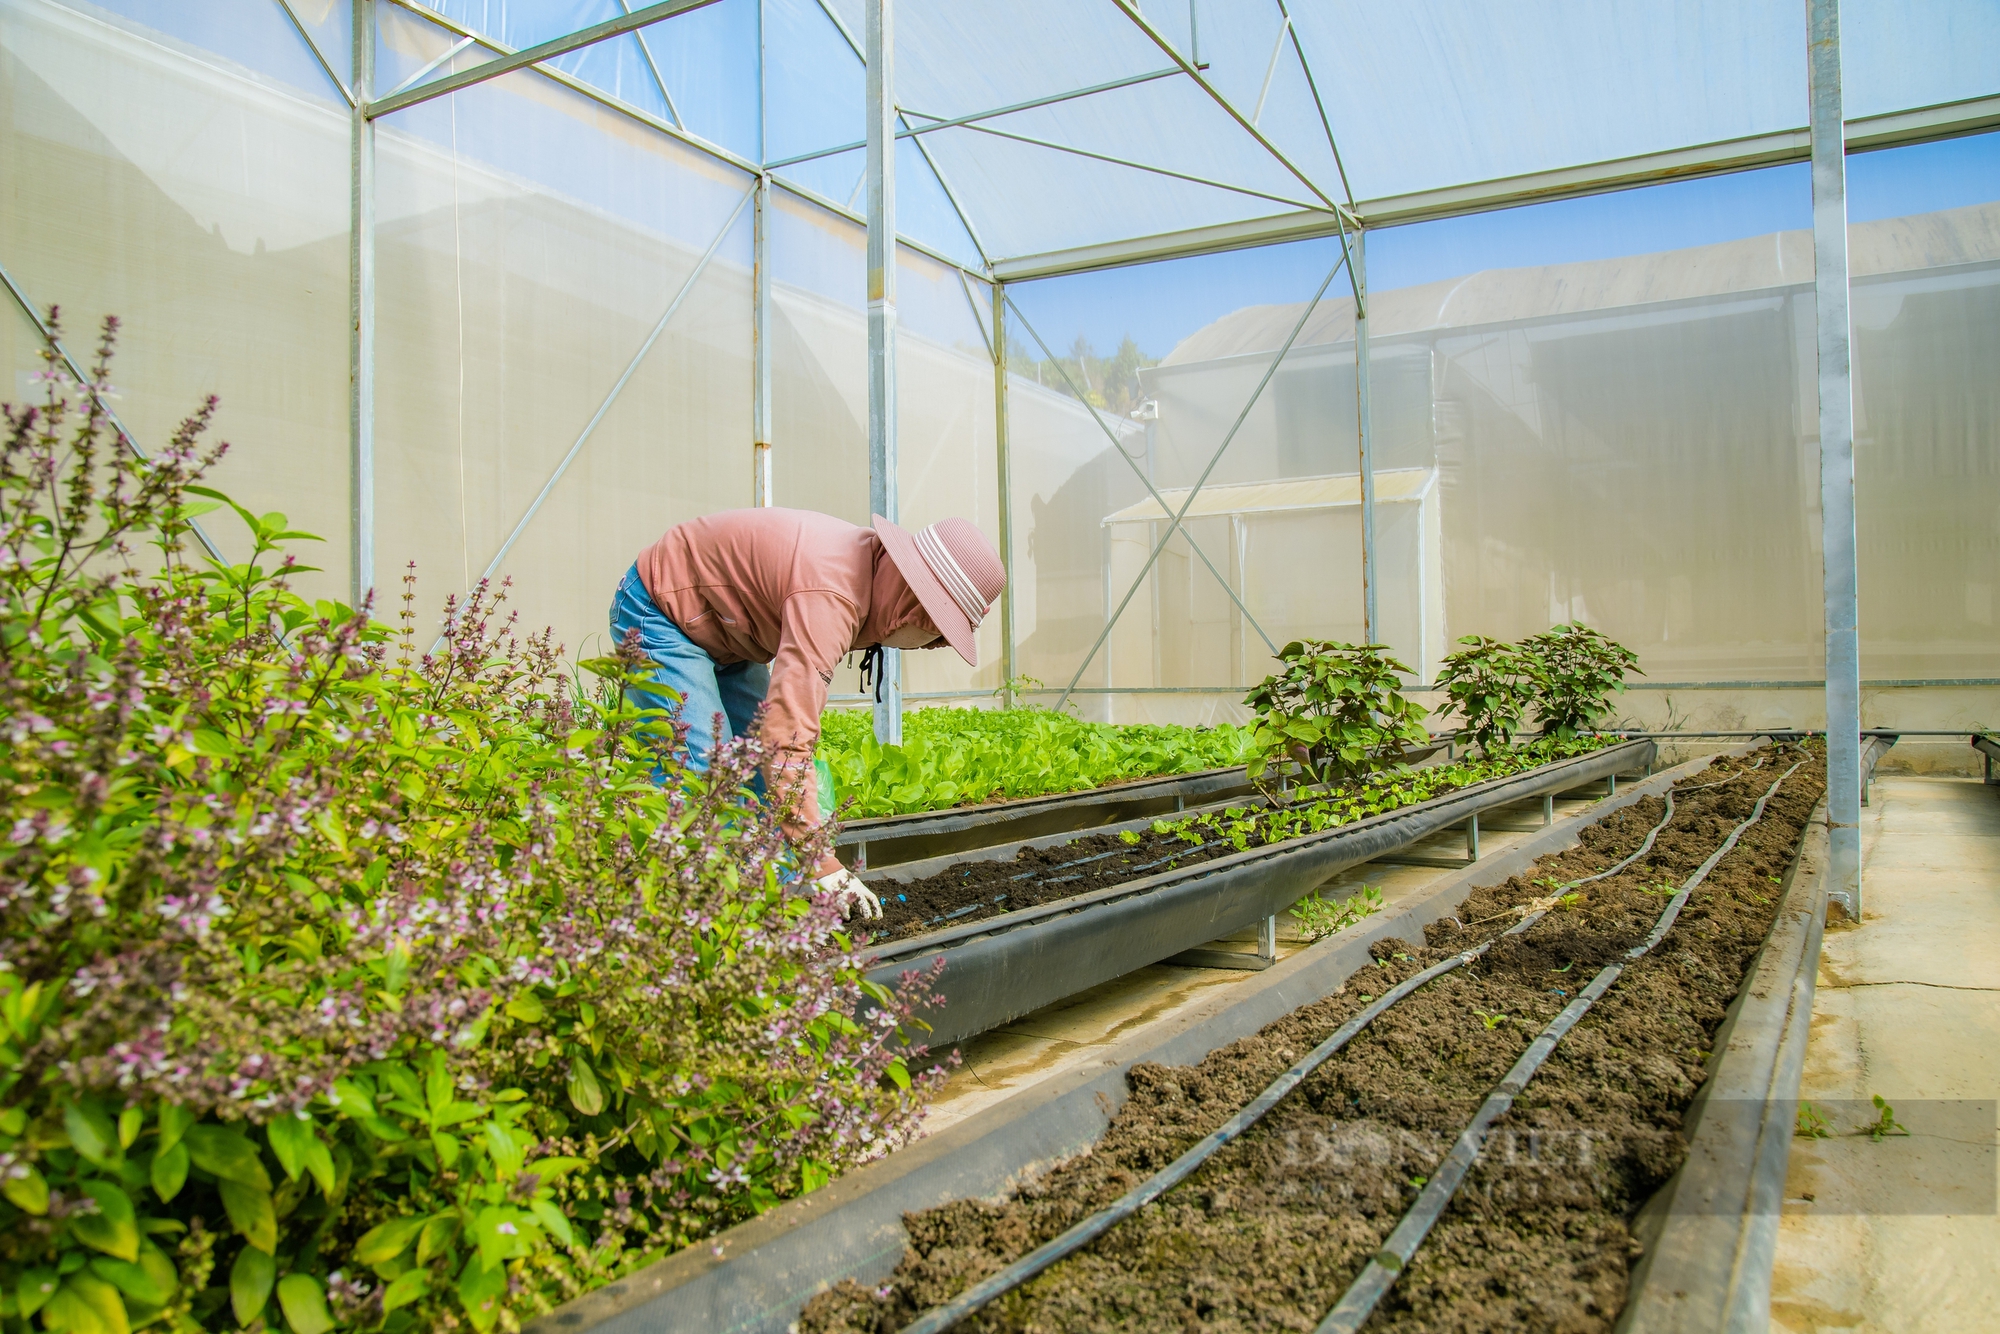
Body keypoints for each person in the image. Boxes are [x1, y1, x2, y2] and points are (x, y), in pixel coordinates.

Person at [608, 508, 1005, 920]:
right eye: (938, 632)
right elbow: (785, 735)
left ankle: (772, 910)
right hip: (660, 610)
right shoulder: (833, 594)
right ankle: (680, 920)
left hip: (727, 632)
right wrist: (821, 861)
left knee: (760, 780)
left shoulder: (870, 575)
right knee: (707, 774)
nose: (931, 644)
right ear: (915, 608)